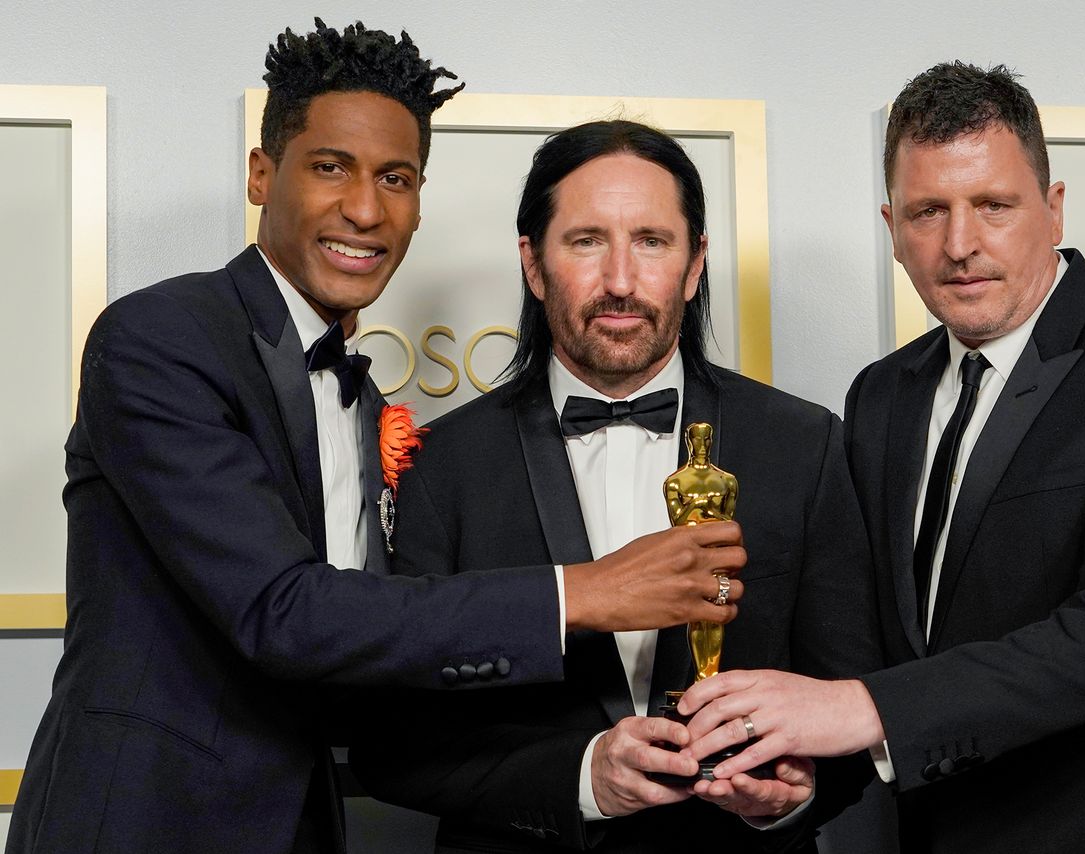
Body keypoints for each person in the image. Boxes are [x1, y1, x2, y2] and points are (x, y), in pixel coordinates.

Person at [6, 23, 746, 854]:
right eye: (331, 167)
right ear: (261, 174)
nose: (365, 208)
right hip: (142, 825)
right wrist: (581, 594)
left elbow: (365, 656)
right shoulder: (161, 339)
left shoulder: (366, 403)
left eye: (396, 178)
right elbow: (281, 612)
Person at [679, 61, 1085, 853]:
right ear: (891, 229)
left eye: (993, 205)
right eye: (927, 212)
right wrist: (797, 785)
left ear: (1053, 210)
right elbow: (880, 656)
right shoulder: (881, 396)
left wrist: (864, 711)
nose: (960, 244)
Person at [350, 120, 879, 853]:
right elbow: (391, 747)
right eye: (586, 241)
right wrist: (582, 778)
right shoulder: (442, 465)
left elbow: (856, 704)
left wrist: (794, 793)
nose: (621, 281)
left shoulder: (804, 445)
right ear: (534, 266)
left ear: (695, 266)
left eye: (652, 242)